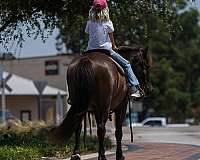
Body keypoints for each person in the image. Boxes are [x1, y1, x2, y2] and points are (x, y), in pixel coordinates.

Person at [85, 0, 144, 99]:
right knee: (126, 64)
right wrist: (114, 46)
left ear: (93, 9)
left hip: (90, 50)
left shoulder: (90, 22)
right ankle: (135, 88)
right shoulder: (108, 22)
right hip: (105, 50)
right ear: (105, 10)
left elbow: (88, 33)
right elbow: (111, 37)